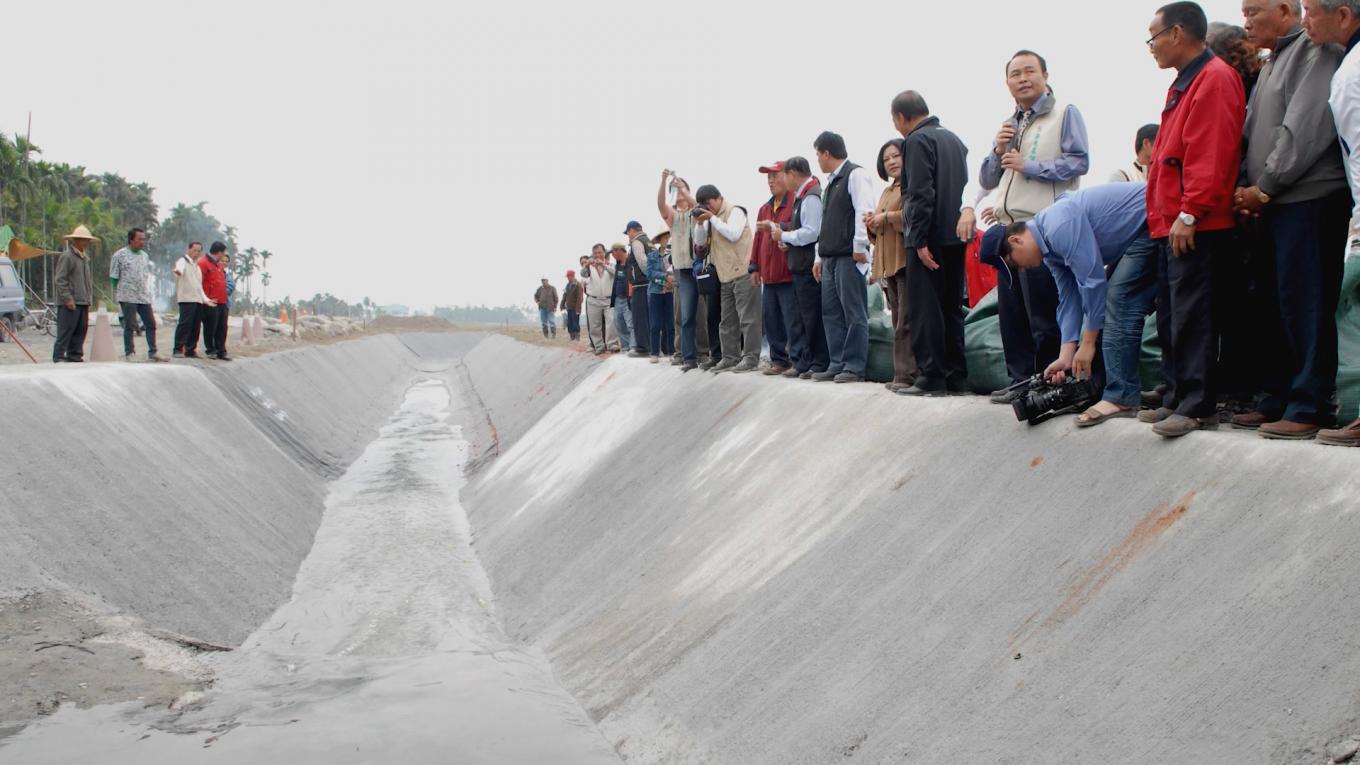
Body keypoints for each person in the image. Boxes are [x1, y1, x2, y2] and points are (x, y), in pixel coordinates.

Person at [1230, 0, 1349, 441]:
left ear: (1283, 9)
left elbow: (1303, 128)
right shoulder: (1271, 62)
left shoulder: (1316, 50)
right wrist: (1246, 189)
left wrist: (1265, 186)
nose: (1246, 21)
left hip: (1309, 198)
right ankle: (1278, 397)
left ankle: (1310, 404)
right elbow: (1252, 133)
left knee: (1306, 301)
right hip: (1273, 203)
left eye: (1253, 10)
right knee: (1274, 302)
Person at [1138, 1, 1247, 438]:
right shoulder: (1184, 82)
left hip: (1197, 222)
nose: (1151, 47)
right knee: (1172, 315)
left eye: (1153, 37)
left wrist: (1190, 210)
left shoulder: (1214, 78)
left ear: (1178, 33)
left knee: (1194, 314)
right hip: (1171, 222)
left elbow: (1211, 152)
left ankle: (1199, 405)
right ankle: (1179, 395)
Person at [987, 183, 1159, 425]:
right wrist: (1066, 354)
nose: (1022, 269)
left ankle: (1122, 396)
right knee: (1111, 303)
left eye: (1014, 264)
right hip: (1138, 231)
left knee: (1118, 301)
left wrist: (1087, 344)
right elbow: (1069, 298)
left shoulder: (1058, 225)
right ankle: (1121, 390)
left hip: (1153, 218)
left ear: (1016, 240)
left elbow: (1093, 281)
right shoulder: (1049, 250)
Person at [975, 49, 1091, 405]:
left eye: (1029, 72)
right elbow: (987, 177)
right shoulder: (1012, 123)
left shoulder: (1063, 113)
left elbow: (1079, 162)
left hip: (1043, 227)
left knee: (1043, 313)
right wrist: (997, 151)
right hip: (1010, 229)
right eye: (1015, 74)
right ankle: (1020, 381)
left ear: (1045, 75)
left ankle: (1049, 380)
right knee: (1014, 315)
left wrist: (1031, 166)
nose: (1022, 79)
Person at [890, 91, 971, 397]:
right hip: (954, 234)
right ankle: (956, 377)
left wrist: (919, 239)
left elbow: (920, 194)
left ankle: (932, 376)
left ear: (900, 117)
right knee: (951, 307)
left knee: (925, 309)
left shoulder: (916, 141)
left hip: (930, 238)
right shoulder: (954, 139)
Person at [1305, 0, 1360, 446]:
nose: (1307, 21)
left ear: (1343, 15)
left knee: (1351, 301)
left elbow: (1358, 153)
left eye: (1310, 9)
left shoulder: (1349, 73)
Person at [806, 131, 875, 383]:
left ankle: (855, 366)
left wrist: (860, 245)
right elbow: (825, 223)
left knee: (854, 312)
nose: (818, 160)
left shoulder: (855, 174)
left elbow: (864, 210)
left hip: (849, 255)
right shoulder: (830, 184)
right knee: (831, 312)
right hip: (830, 256)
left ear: (826, 152)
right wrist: (818, 257)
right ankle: (837, 362)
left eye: (818, 154)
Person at [770, 157, 829, 379]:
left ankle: (818, 362)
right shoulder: (802, 196)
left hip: (808, 267)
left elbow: (812, 232)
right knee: (805, 318)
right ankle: (808, 362)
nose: (782, 179)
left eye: (783, 174)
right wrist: (787, 240)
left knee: (812, 318)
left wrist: (783, 234)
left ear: (792, 173)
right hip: (801, 265)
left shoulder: (811, 196)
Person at [693, 184, 761, 373]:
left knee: (748, 319)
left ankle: (751, 358)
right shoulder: (709, 219)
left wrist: (712, 218)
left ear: (719, 197)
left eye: (709, 203)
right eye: (704, 205)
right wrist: (700, 223)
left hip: (743, 273)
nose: (708, 207)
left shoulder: (736, 211)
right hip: (724, 275)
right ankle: (730, 357)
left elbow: (733, 234)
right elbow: (699, 244)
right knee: (727, 321)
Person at [866, 139, 917, 392]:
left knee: (905, 320)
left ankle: (907, 374)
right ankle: (901, 373)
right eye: (886, 159)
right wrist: (872, 224)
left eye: (896, 156)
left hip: (905, 260)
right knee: (898, 317)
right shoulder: (887, 190)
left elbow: (909, 215)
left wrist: (884, 217)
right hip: (889, 264)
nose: (892, 162)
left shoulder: (910, 185)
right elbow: (878, 232)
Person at [751, 161, 802, 376]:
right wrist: (754, 266)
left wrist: (778, 226)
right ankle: (779, 360)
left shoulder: (796, 202)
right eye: (768, 178)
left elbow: (799, 228)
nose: (771, 181)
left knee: (793, 320)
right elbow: (757, 239)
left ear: (787, 176)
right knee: (771, 320)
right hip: (768, 276)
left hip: (788, 273)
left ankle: (799, 360)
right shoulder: (764, 208)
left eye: (775, 176)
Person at [110, 227, 165, 362]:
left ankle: (153, 351)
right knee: (130, 324)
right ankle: (130, 352)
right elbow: (114, 276)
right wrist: (117, 292)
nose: (142, 242)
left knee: (150, 323)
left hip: (142, 295)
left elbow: (144, 274)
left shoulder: (144, 256)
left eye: (144, 239)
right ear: (131, 240)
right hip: (127, 295)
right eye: (140, 239)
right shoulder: (119, 255)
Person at [52, 225, 96, 363]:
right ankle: (59, 357)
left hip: (82, 301)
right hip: (70, 302)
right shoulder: (67, 256)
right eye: (84, 240)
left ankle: (75, 356)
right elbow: (60, 279)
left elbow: (86, 282)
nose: (86, 243)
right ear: (76, 240)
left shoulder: (84, 258)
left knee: (80, 332)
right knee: (65, 331)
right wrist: (68, 299)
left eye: (87, 240)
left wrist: (88, 300)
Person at [172, 241, 212, 358]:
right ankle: (178, 348)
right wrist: (178, 272)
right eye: (194, 250)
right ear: (188, 249)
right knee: (184, 324)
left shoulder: (197, 267)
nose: (196, 253)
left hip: (197, 300)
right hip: (186, 299)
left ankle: (190, 349)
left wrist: (205, 299)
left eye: (199, 251)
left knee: (196, 326)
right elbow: (179, 270)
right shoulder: (182, 261)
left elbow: (198, 286)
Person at [624, 221, 653, 357]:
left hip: (641, 285)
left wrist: (651, 276)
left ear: (631, 230)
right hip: (650, 285)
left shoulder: (636, 242)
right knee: (649, 318)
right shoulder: (649, 241)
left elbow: (643, 262)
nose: (628, 236)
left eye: (628, 233)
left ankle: (643, 348)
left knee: (640, 318)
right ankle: (653, 346)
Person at [199, 242, 232, 361]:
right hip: (210, 301)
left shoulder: (218, 265)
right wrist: (205, 299)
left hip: (222, 301)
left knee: (222, 328)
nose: (223, 256)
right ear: (219, 252)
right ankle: (211, 350)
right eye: (223, 253)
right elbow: (199, 282)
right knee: (210, 327)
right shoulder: (203, 263)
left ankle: (221, 351)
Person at [583, 245, 618, 354]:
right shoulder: (590, 267)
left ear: (604, 253)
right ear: (593, 254)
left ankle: (612, 344)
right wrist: (587, 265)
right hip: (593, 299)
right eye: (596, 253)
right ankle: (599, 346)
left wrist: (603, 265)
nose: (598, 255)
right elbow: (583, 274)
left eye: (600, 252)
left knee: (611, 322)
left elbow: (615, 274)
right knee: (594, 325)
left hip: (608, 299)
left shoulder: (611, 265)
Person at [645, 234, 674, 361]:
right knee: (655, 324)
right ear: (660, 240)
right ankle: (654, 352)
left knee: (671, 323)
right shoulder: (652, 256)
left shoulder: (673, 255)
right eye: (664, 238)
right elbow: (650, 274)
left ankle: (672, 352)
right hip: (656, 293)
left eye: (668, 237)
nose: (667, 240)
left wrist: (670, 282)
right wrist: (664, 279)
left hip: (671, 292)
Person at [609, 243, 636, 353]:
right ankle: (625, 348)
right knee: (619, 323)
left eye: (613, 253)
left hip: (628, 298)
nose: (612, 255)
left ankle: (634, 347)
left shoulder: (631, 262)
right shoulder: (618, 264)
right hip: (618, 299)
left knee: (630, 324)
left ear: (618, 251)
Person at [560, 270, 583, 341]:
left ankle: (577, 338)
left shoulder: (578, 285)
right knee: (569, 323)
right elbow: (565, 295)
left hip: (575, 308)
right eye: (567, 277)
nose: (567, 278)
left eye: (568, 276)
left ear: (572, 276)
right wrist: (562, 305)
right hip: (568, 308)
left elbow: (580, 298)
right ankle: (572, 337)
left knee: (575, 323)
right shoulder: (567, 285)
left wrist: (578, 309)